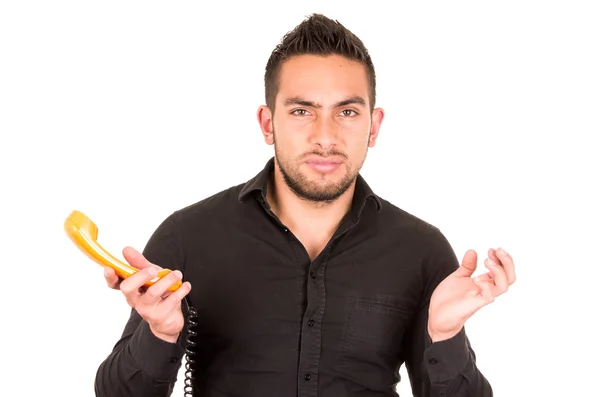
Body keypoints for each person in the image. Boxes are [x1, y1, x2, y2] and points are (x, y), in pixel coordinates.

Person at [94, 13, 516, 397]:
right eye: (301, 111)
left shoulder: (421, 251)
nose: (325, 136)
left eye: (347, 111)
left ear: (374, 126)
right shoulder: (188, 237)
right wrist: (161, 333)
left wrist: (445, 335)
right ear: (267, 123)